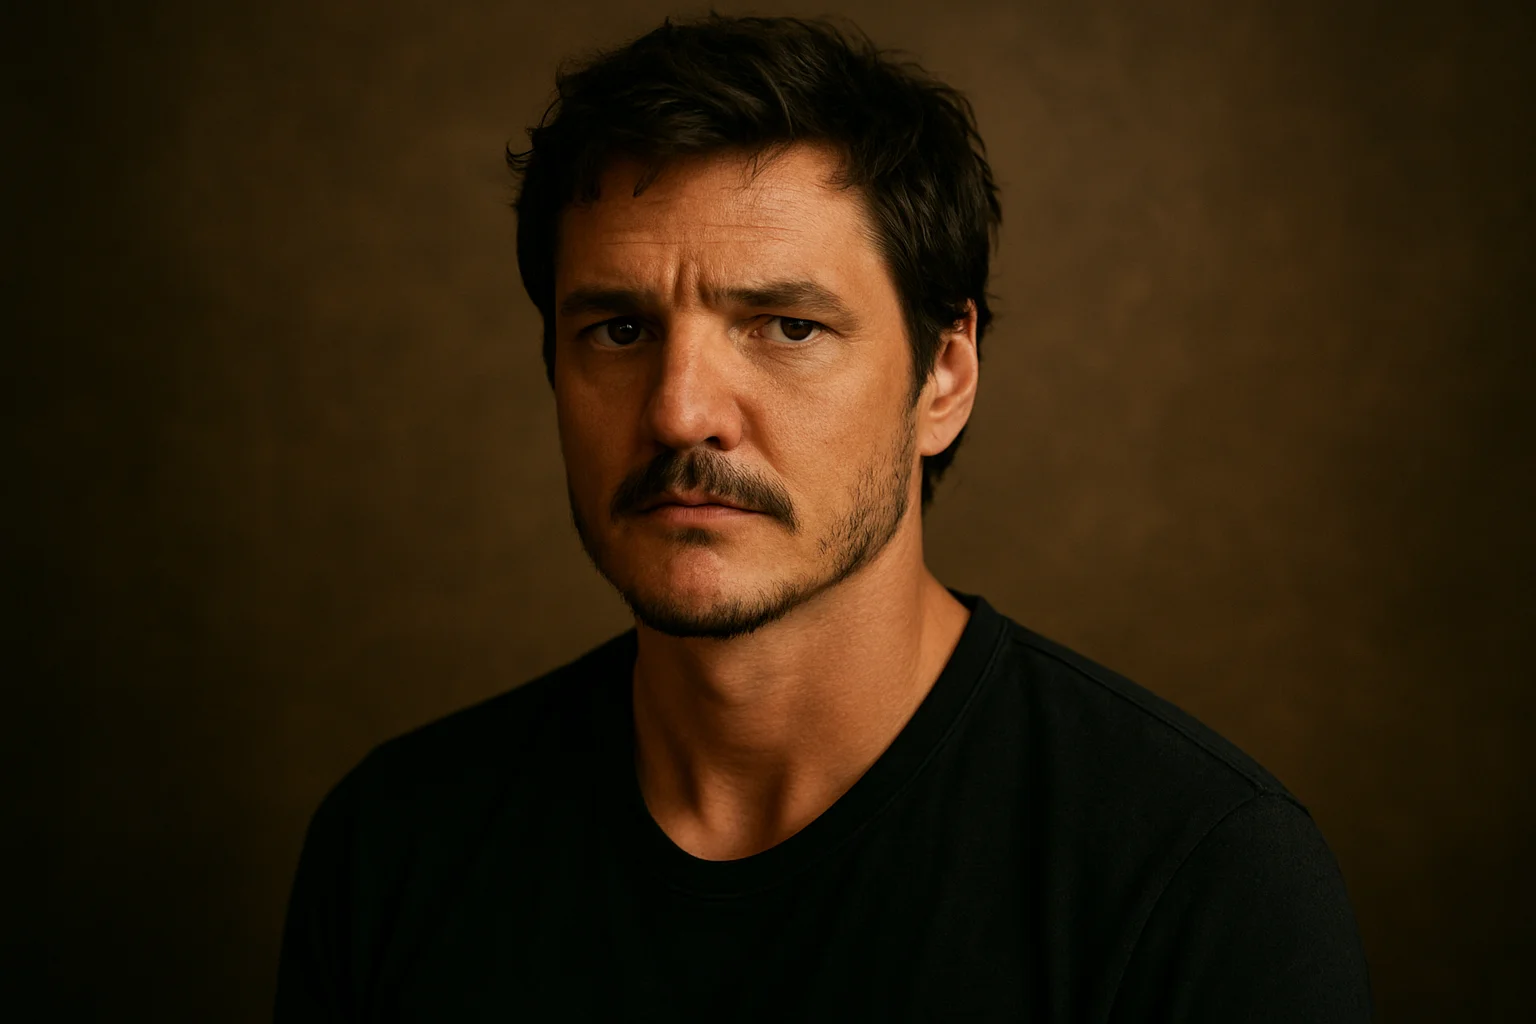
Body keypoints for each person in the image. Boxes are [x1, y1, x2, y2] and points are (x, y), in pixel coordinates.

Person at [275, 14, 1372, 1021]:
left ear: (945, 374)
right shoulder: (396, 849)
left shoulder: (1200, 876)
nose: (679, 410)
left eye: (787, 327)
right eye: (616, 330)